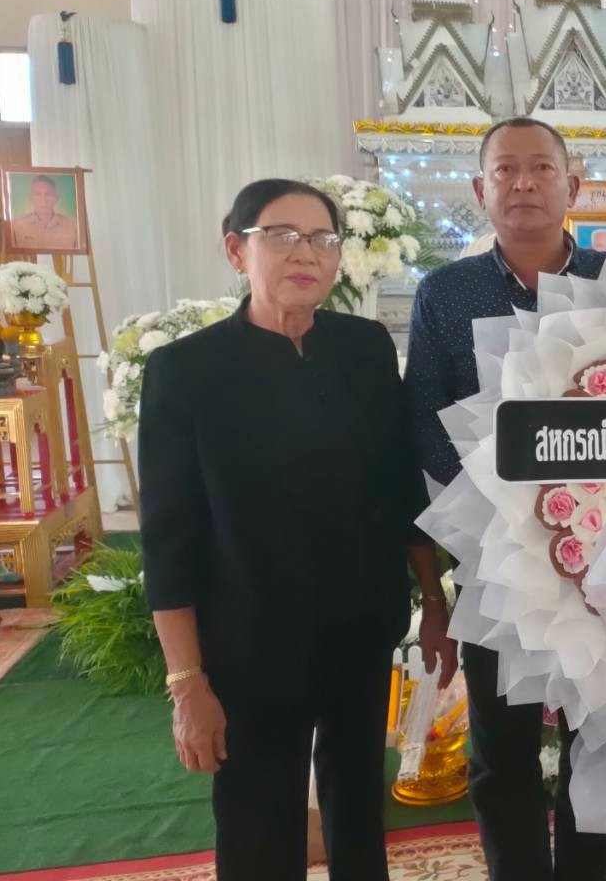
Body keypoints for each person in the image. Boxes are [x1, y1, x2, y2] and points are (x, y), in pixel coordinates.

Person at [140, 178, 456, 881]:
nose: (304, 253)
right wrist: (187, 681)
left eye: (321, 239)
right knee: (258, 824)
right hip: (248, 639)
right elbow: (168, 539)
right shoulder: (185, 371)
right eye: (280, 236)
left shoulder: (363, 348)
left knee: (358, 808)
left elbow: (400, 485)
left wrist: (433, 602)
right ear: (236, 250)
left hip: (359, 628)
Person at [404, 117, 606, 881]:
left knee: (598, 739)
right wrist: (501, 519)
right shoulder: (445, 293)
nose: (523, 183)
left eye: (541, 169)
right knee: (503, 747)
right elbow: (426, 424)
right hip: (497, 555)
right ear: (480, 188)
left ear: (571, 185)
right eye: (506, 170)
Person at [10, 175, 79, 250]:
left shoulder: (73, 225)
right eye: (38, 194)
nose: (43, 200)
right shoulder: (16, 226)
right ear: (30, 198)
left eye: (48, 194)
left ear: (56, 198)